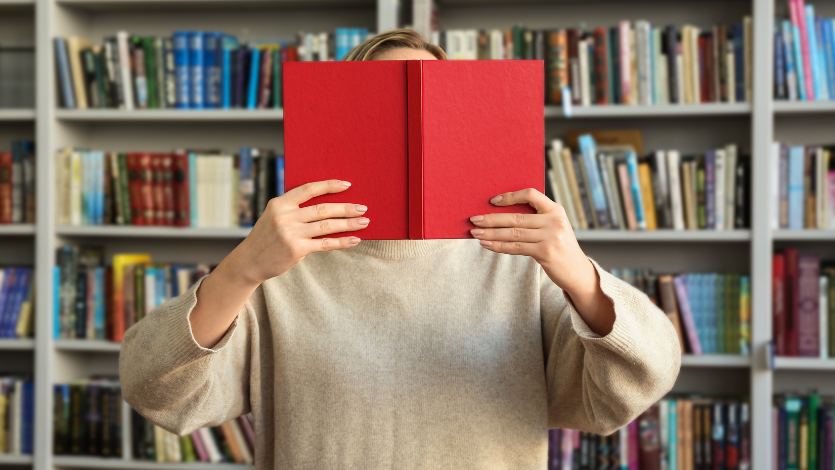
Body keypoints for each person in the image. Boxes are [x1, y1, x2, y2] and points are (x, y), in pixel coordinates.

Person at [120, 29, 680, 469]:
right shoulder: (280, 264)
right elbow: (159, 392)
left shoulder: (518, 263)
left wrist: (577, 273)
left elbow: (635, 384)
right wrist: (241, 269)